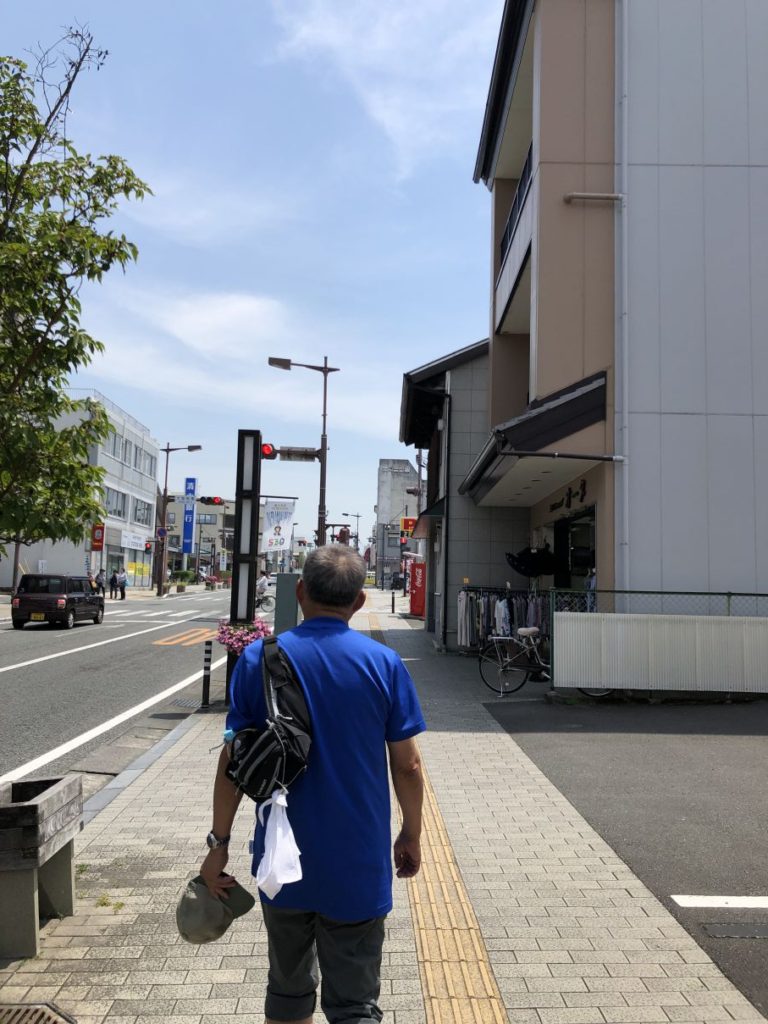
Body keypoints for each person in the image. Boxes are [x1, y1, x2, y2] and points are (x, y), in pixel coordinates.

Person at [201, 546, 426, 1024]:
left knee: (287, 992)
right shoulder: (384, 663)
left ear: (301, 592)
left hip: (281, 860)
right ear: (359, 601)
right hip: (358, 863)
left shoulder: (258, 659)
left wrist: (218, 845)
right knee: (355, 1005)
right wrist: (411, 832)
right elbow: (407, 766)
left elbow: (231, 760)